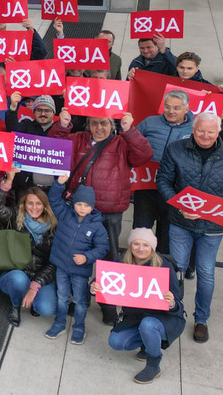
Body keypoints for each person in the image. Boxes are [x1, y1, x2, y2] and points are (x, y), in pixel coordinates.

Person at [49, 108, 152, 325]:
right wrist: (62, 125)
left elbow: (144, 156)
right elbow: (53, 147)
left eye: (103, 123)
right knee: (77, 255)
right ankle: (80, 298)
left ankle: (108, 304)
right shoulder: (77, 139)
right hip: (79, 211)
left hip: (111, 211)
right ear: (87, 124)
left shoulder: (122, 142)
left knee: (109, 259)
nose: (98, 128)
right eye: (94, 123)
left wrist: (129, 130)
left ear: (112, 124)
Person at [156, 112, 223, 344]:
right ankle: (173, 310)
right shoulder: (175, 149)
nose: (205, 136)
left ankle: (201, 320)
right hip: (180, 222)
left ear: (219, 132)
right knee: (177, 268)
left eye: (210, 132)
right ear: (193, 130)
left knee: (206, 272)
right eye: (200, 131)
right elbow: (163, 181)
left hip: (213, 228)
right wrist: (179, 207)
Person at [92, 228, 186, 384]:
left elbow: (178, 304)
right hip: (135, 317)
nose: (140, 248)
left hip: (163, 319)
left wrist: (172, 303)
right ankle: (147, 342)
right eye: (136, 243)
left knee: (148, 325)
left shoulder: (164, 267)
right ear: (130, 245)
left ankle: (153, 364)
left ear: (152, 248)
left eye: (145, 245)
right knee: (116, 341)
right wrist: (93, 288)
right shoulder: (122, 262)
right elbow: (100, 282)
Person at [0, 168, 57, 326]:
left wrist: (36, 285)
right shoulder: (16, 217)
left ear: (45, 205)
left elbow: (55, 263)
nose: (34, 207)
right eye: (30, 203)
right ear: (24, 204)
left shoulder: (53, 226)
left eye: (38, 203)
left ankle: (34, 300)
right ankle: (15, 304)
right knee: (17, 280)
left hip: (41, 277)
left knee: (46, 309)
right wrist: (7, 183)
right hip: (19, 273)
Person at [46, 175, 108, 344]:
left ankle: (79, 328)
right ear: (74, 203)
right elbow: (53, 199)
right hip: (61, 267)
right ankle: (59, 324)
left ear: (92, 207)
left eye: (86, 205)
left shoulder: (97, 226)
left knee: (80, 301)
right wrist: (59, 183)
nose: (82, 208)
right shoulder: (65, 214)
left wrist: (87, 257)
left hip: (80, 271)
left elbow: (103, 248)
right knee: (62, 296)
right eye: (79, 204)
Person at [134, 90, 194, 252]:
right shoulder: (149, 122)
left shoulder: (195, 128)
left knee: (167, 236)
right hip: (146, 188)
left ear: (186, 109)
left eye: (176, 108)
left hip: (174, 191)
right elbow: (132, 144)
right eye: (167, 107)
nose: (171, 111)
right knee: (140, 231)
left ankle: (161, 269)